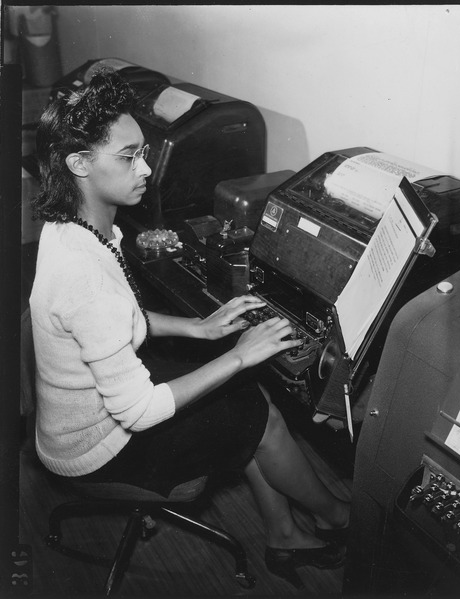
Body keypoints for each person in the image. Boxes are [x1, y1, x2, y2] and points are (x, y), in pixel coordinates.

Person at [29, 69, 349, 590]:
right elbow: (139, 408)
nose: (146, 169)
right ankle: (336, 515)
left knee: (242, 396)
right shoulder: (83, 275)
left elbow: (120, 319)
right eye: (129, 157)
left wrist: (200, 328)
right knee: (256, 407)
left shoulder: (74, 225)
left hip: (80, 416)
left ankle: (285, 530)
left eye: (144, 151)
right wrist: (240, 354)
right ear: (79, 163)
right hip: (97, 447)